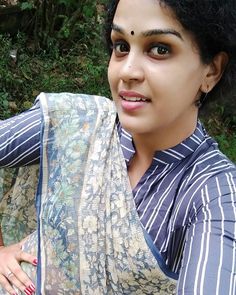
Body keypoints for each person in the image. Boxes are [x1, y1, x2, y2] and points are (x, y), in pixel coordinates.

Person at [0, 0, 235, 294]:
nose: (127, 71)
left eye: (159, 49)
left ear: (211, 71)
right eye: (121, 46)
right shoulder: (74, 123)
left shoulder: (212, 191)